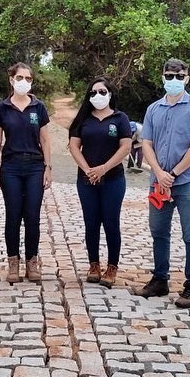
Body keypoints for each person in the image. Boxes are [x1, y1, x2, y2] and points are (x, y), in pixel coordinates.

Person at [137, 58, 190, 309]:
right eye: (169, 76)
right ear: (162, 77)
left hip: (187, 181)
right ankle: (160, 279)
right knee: (158, 231)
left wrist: (174, 173)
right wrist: (159, 172)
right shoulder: (153, 109)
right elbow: (146, 142)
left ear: (187, 79)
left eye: (179, 77)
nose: (174, 81)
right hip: (158, 182)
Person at [68, 77, 132, 288]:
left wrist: (104, 168)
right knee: (91, 223)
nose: (98, 96)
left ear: (110, 94)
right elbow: (75, 146)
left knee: (111, 222)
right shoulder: (83, 120)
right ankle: (93, 265)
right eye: (93, 92)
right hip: (86, 180)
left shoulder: (120, 118)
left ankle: (112, 266)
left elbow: (125, 147)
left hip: (113, 179)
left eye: (102, 92)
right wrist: (88, 169)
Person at [0, 62, 52, 283]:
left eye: (28, 78)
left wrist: (48, 167)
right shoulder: (2, 108)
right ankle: (13, 263)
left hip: (35, 166)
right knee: (13, 215)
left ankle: (32, 262)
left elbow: (45, 139)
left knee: (33, 216)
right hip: (11, 168)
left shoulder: (39, 107)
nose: (24, 82)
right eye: (20, 78)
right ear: (11, 80)